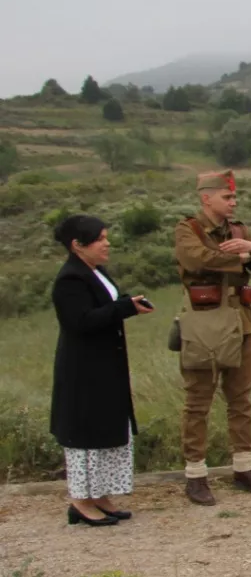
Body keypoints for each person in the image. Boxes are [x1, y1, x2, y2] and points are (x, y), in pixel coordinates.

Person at [175, 170, 251, 506]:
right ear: (206, 198)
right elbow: (198, 259)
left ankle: (244, 467)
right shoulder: (188, 229)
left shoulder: (239, 231)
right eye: (227, 197)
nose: (234, 202)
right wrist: (241, 258)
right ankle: (195, 474)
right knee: (198, 401)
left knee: (241, 398)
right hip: (205, 323)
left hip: (242, 322)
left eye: (234, 197)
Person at [50, 215, 155, 527]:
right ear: (77, 245)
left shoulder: (95, 271)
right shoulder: (69, 280)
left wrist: (128, 304)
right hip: (83, 370)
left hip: (105, 366)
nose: (107, 244)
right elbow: (80, 322)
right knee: (85, 434)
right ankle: (80, 502)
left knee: (105, 429)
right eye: (100, 239)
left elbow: (103, 307)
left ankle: (100, 496)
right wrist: (123, 308)